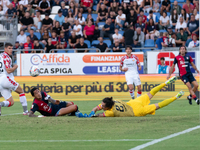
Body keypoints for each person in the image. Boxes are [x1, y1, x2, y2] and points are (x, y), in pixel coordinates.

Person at [76, 76, 184, 117]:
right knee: (151, 93)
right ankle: (166, 82)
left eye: (103, 106)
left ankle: (176, 96)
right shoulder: (114, 100)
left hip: (136, 111)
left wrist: (91, 115)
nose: (101, 106)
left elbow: (99, 114)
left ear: (107, 107)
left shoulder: (111, 112)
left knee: (158, 105)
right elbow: (98, 107)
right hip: (133, 103)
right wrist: (93, 111)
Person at [0, 43, 29, 116]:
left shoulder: (0, 56)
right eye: (9, 48)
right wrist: (15, 67)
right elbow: (8, 70)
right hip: (5, 78)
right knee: (21, 91)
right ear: (5, 49)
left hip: (0, 80)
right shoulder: (7, 57)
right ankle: (25, 111)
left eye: (12, 48)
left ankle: (0, 104)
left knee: (11, 102)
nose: (11, 50)